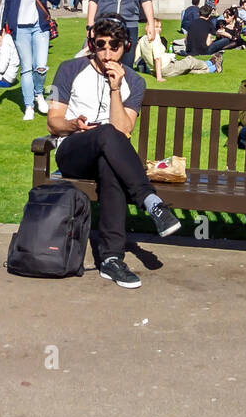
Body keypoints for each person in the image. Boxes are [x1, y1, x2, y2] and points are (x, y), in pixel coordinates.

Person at [46, 15, 181, 289]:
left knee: (111, 163)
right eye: (101, 45)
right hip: (73, 150)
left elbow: (124, 130)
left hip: (107, 153)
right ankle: (152, 203)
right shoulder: (69, 69)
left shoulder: (135, 82)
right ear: (91, 44)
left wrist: (115, 88)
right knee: (106, 135)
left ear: (126, 46)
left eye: (114, 46)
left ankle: (111, 259)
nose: (107, 53)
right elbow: (53, 120)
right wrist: (73, 124)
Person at [0, 0, 56, 121]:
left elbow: (56, 0)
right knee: (27, 67)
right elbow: (4, 7)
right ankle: (29, 105)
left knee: (41, 66)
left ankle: (38, 94)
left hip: (40, 27)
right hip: (20, 29)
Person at [135, 26, 215, 80]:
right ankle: (210, 63)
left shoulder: (142, 39)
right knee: (190, 61)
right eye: (156, 27)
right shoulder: (155, 38)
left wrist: (145, 68)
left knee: (188, 70)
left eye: (160, 27)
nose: (159, 29)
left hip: (158, 69)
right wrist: (159, 77)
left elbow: (137, 57)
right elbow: (157, 58)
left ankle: (213, 69)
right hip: (165, 68)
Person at [183, 2, 228, 67]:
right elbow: (209, 42)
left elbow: (186, 38)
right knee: (225, 40)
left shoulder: (192, 22)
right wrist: (213, 40)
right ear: (209, 15)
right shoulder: (208, 24)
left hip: (189, 50)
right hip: (203, 50)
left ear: (199, 13)